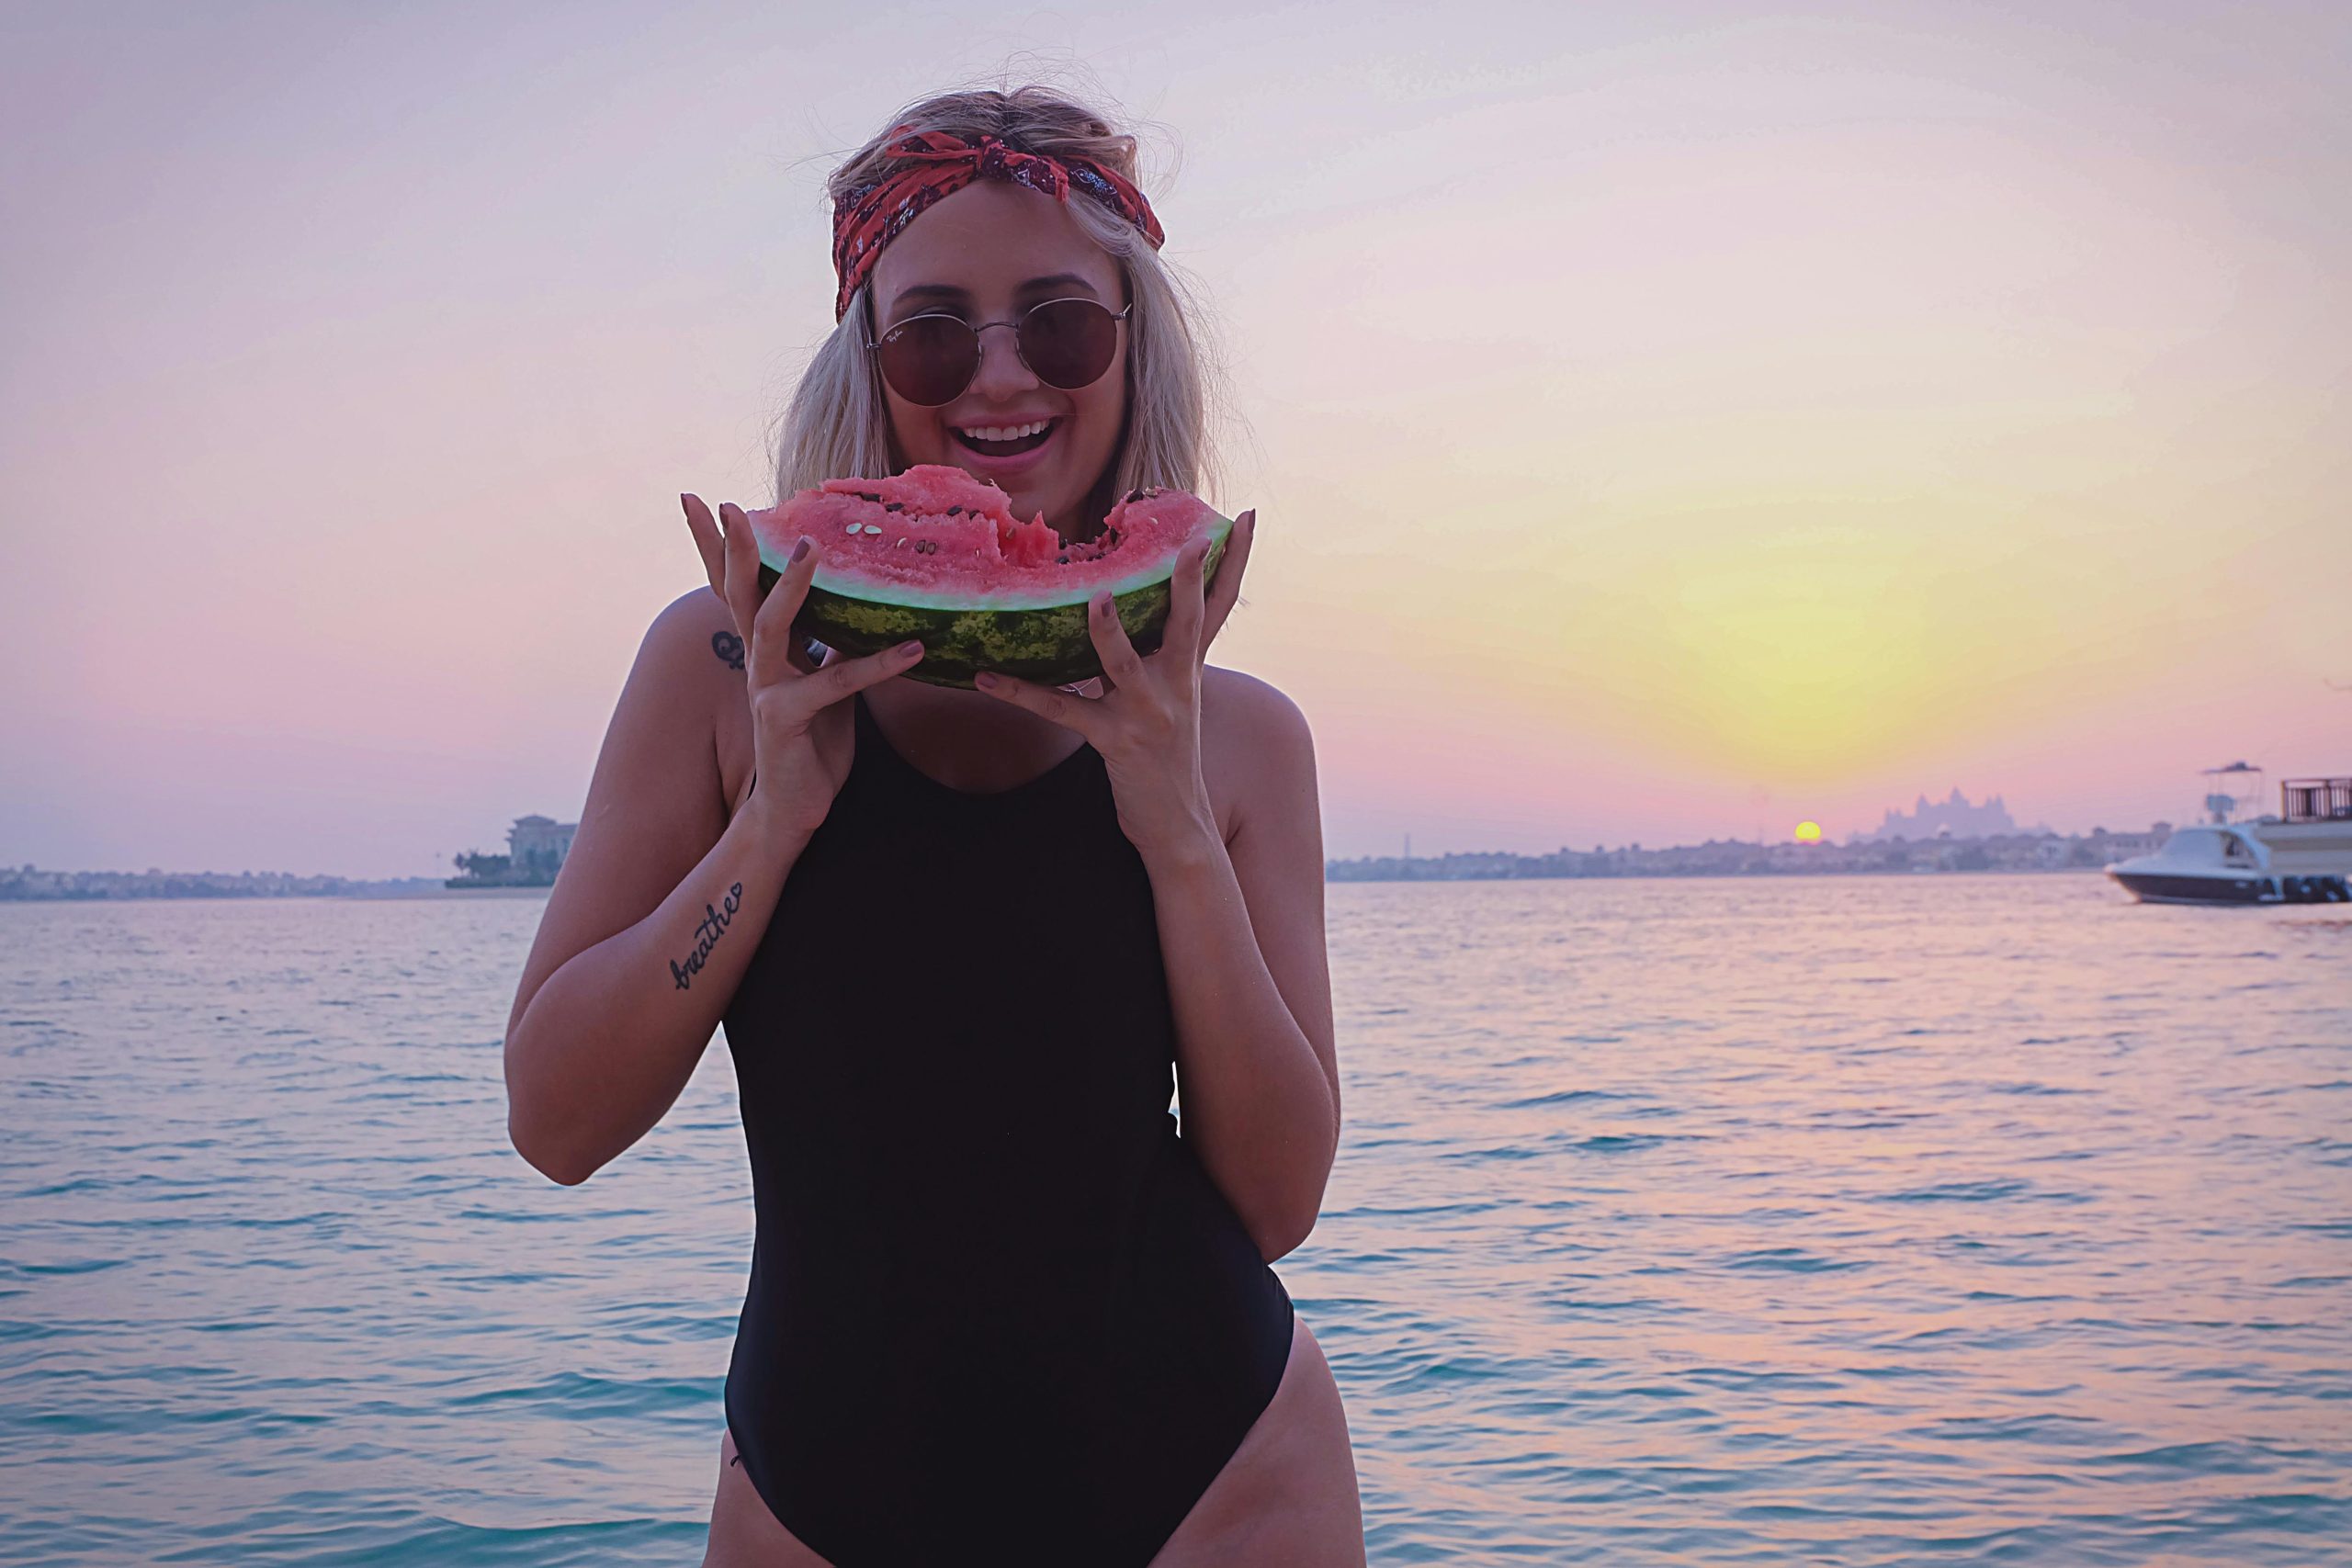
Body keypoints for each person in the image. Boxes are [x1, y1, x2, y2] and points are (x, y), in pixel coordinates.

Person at [501, 85, 1363, 1566]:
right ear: (874, 360)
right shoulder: (718, 673)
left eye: (1061, 323)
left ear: (1132, 344)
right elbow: (556, 1126)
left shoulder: (1246, 737)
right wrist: (769, 827)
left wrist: (1170, 827)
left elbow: (1276, 1203)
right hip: (817, 1503)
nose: (1000, 375)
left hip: (1217, 1479)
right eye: (934, 330)